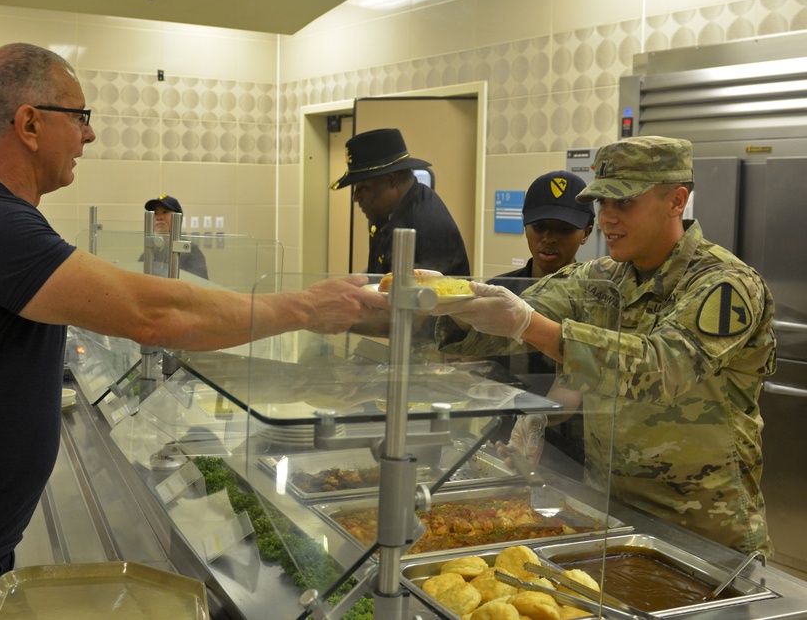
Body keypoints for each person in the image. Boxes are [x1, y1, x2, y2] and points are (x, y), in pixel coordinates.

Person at [0, 42, 385, 620]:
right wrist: (304, 307)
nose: (89, 136)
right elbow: (152, 314)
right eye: (79, 117)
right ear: (28, 123)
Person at [434, 136, 775, 557]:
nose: (609, 217)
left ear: (676, 201)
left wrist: (533, 326)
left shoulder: (726, 284)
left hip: (707, 536)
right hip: (610, 520)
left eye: (624, 203)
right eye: (601, 203)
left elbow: (664, 366)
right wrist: (438, 300)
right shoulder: (600, 279)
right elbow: (507, 314)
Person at [487, 170, 594, 464]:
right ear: (524, 226)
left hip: (567, 447)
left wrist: (535, 421)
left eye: (563, 229)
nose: (548, 238)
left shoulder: (595, 298)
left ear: (586, 232)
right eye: (540, 226)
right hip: (498, 436)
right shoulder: (500, 291)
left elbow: (575, 381)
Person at [331, 128, 469, 277]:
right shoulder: (386, 211)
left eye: (363, 188)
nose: (355, 198)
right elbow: (380, 275)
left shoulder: (426, 225)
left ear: (392, 180)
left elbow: (416, 294)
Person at [138, 194, 209, 279]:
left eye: (165, 212)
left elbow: (198, 285)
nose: (159, 218)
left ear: (179, 218)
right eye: (155, 213)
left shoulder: (190, 251)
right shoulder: (150, 252)